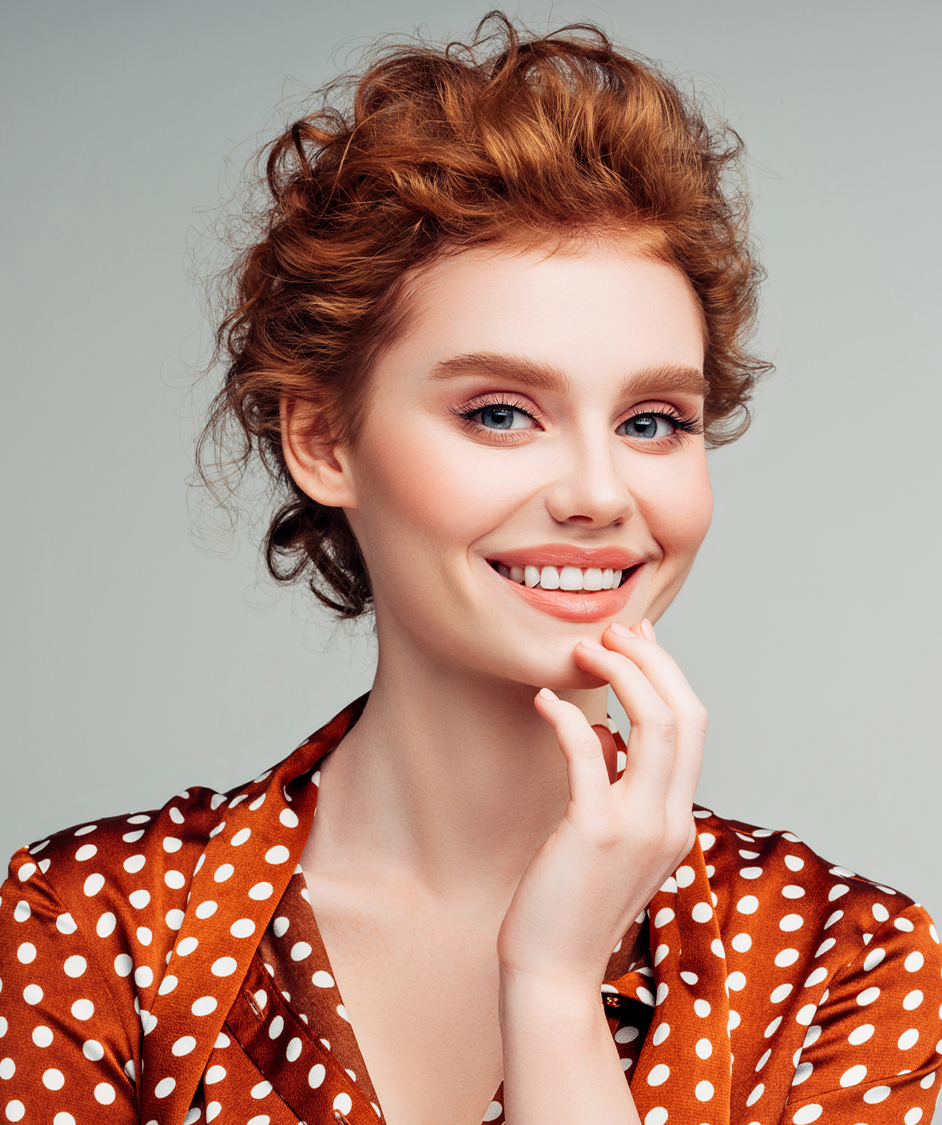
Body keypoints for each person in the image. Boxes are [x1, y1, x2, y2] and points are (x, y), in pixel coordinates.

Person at [1, 14, 939, 1125]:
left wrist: (549, 993)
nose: (599, 492)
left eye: (652, 420)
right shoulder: (90, 931)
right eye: (500, 412)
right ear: (325, 442)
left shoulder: (843, 970)